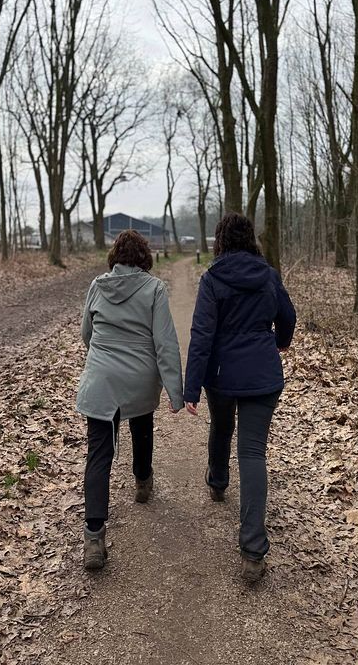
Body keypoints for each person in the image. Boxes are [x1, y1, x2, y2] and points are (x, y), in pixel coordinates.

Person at [184, 212, 296, 583]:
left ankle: (217, 481)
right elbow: (288, 317)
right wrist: (279, 342)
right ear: (250, 239)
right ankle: (253, 551)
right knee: (252, 453)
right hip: (263, 375)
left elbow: (202, 335)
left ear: (220, 241)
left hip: (221, 375)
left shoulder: (213, 278)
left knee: (221, 425)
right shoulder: (269, 275)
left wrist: (192, 387)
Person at [77, 230, 184, 570]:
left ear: (115, 257)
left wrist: (104, 356)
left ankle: (94, 537)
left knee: (99, 453)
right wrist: (176, 392)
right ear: (145, 258)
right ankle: (142, 480)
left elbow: (86, 333)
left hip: (101, 379)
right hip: (139, 376)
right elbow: (165, 343)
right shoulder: (154, 289)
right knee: (141, 423)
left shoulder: (98, 286)